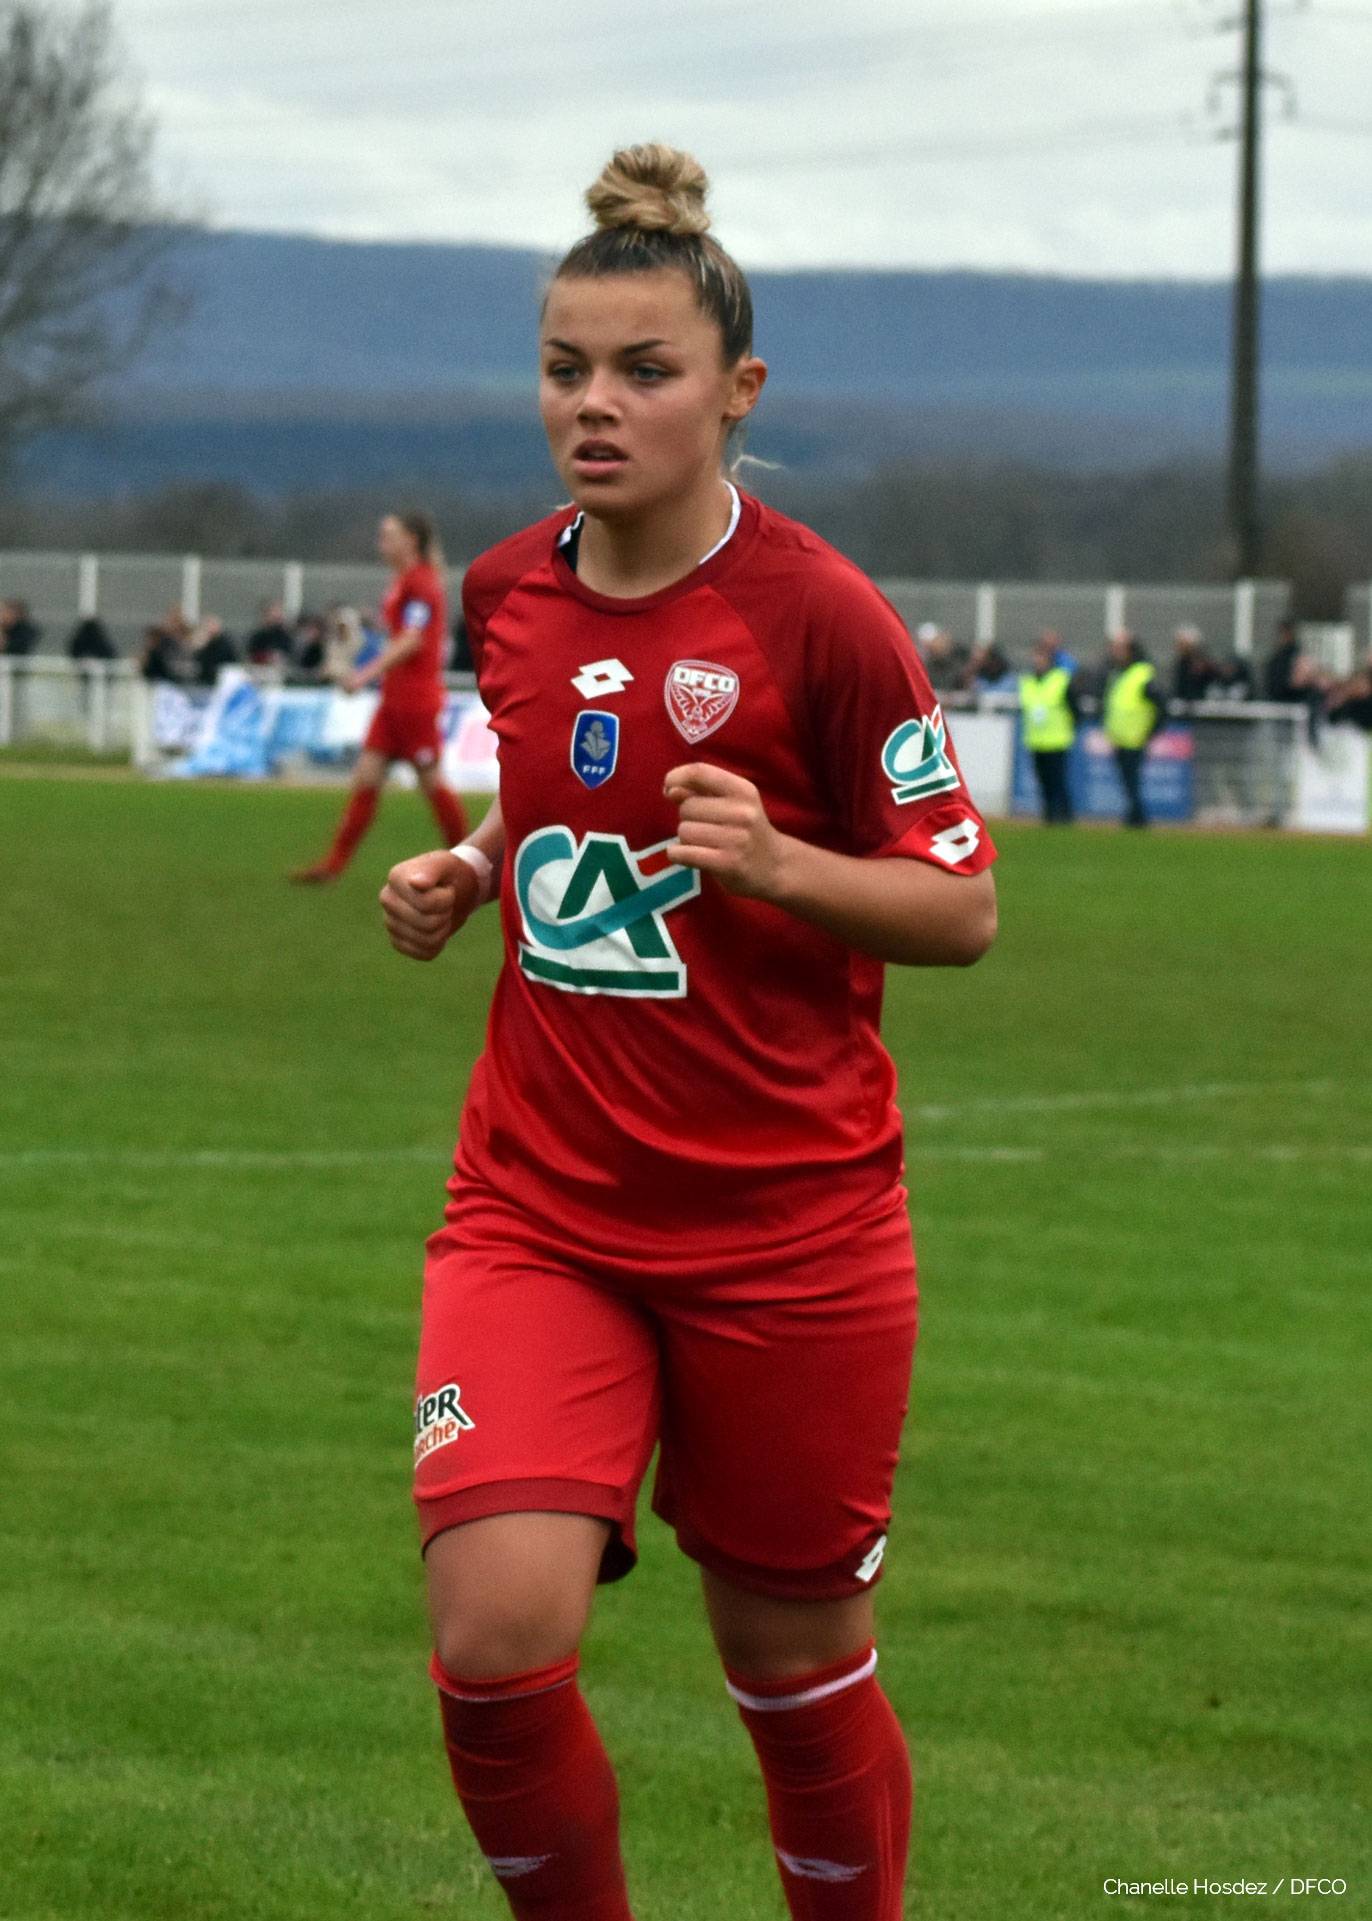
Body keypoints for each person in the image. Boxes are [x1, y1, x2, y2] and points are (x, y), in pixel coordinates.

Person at [377, 143, 997, 1921]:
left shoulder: (823, 617)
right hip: (539, 1207)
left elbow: (960, 905)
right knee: (493, 1644)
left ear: (738, 392)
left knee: (794, 1675)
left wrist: (784, 863)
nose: (595, 403)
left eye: (644, 371)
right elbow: (565, 782)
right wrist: (475, 869)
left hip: (789, 1231)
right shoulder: (510, 590)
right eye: (565, 368)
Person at [289, 512, 468, 882]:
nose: (380, 543)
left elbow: (412, 640)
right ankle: (333, 865)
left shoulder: (421, 583)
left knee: (431, 782)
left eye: (388, 535)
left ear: (411, 540)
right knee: (367, 777)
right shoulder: (403, 582)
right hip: (394, 700)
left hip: (416, 701)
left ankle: (469, 865)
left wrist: (363, 675)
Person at [1103, 630, 1166, 828]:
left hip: (1135, 737)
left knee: (1132, 779)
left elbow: (1160, 705)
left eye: (1119, 648)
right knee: (1126, 780)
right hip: (1119, 737)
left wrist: (1151, 731)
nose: (1115, 652)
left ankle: (1137, 817)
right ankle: (1134, 815)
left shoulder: (1141, 674)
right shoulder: (1116, 673)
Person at [1019, 631, 1077, 823]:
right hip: (1036, 739)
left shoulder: (1061, 679)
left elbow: (1074, 708)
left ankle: (1064, 815)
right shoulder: (1027, 681)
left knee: (1058, 780)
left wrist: (1069, 726)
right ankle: (1049, 814)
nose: (1038, 661)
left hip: (1057, 739)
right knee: (1043, 781)